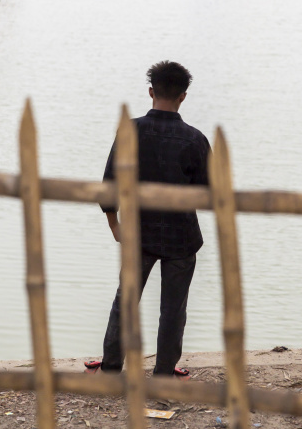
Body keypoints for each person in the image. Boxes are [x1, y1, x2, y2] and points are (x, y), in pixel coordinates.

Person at [86, 61, 210, 377]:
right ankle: (164, 371)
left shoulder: (131, 130)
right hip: (182, 238)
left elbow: (110, 181)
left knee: (125, 301)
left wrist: (115, 225)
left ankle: (112, 366)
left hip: (138, 233)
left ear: (151, 91)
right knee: (173, 309)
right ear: (183, 96)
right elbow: (206, 193)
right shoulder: (195, 139)